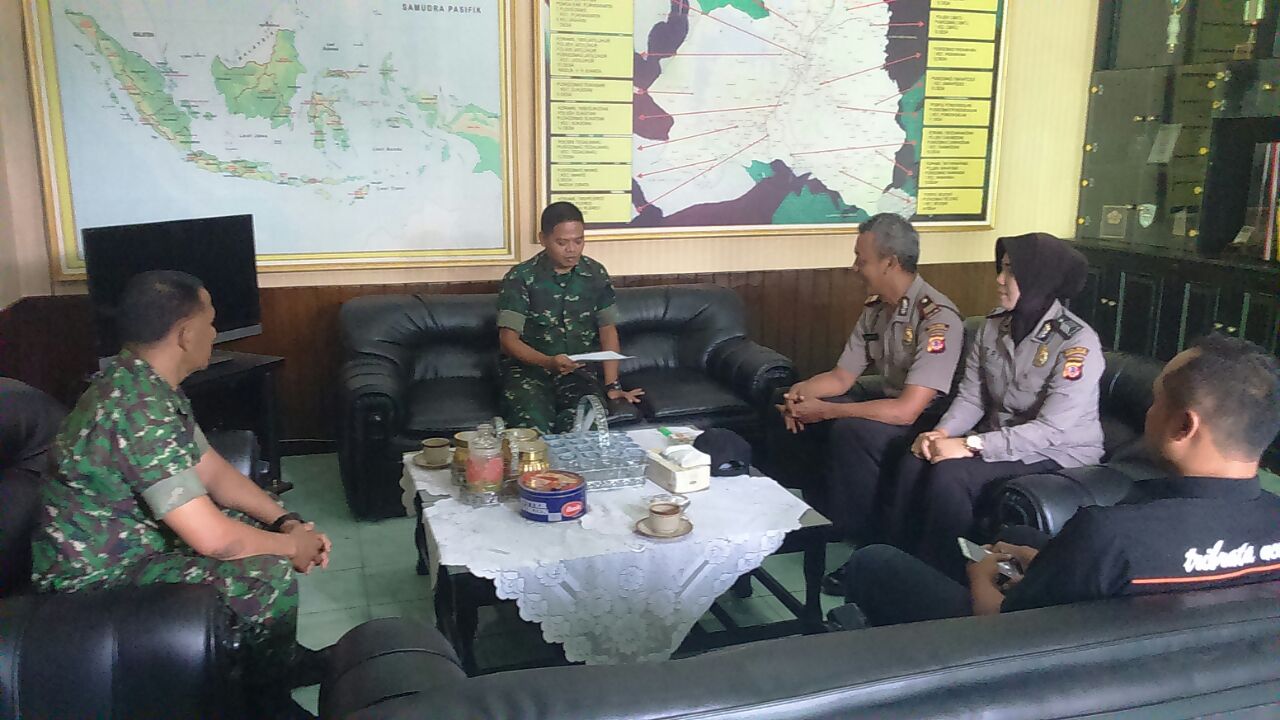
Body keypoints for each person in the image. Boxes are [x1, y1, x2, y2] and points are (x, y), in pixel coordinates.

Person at [29, 270, 330, 719]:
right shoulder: (135, 409)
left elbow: (213, 471)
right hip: (94, 578)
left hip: (138, 544)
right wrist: (292, 547)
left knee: (257, 530)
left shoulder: (143, 382)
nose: (215, 332)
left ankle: (279, 659)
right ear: (186, 334)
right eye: (211, 322)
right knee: (263, 572)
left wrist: (284, 522)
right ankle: (264, 701)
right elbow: (215, 541)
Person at [837, 334, 1280, 627]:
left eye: (1156, 400)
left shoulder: (1110, 533)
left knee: (874, 562)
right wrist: (1051, 562)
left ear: (1183, 426)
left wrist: (979, 578)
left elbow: (1006, 627)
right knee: (1014, 537)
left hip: (1022, 668)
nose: (1148, 412)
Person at [890, 233, 1104, 581]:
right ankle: (896, 559)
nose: (999, 280)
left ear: (1038, 278)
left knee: (951, 474)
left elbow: (1050, 430)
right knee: (916, 457)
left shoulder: (1077, 343)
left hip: (1058, 451)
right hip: (1001, 439)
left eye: (1011, 272)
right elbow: (972, 397)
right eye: (1001, 268)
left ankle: (943, 576)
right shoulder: (993, 325)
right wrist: (940, 433)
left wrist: (970, 445)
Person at [770, 213, 964, 595]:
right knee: (791, 408)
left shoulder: (937, 319)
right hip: (891, 405)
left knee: (851, 431)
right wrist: (799, 393)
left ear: (889, 262)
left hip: (931, 420)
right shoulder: (876, 308)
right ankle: (817, 522)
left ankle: (866, 549)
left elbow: (908, 410)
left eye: (862, 259)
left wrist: (828, 410)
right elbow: (842, 377)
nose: (854, 267)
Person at [497, 201, 643, 433]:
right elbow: (508, 340)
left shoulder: (595, 273)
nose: (572, 249)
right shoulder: (520, 277)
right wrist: (548, 362)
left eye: (578, 241)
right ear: (543, 239)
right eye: (562, 242)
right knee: (533, 431)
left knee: (585, 429)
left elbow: (607, 329)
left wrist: (612, 385)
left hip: (579, 373)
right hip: (529, 373)